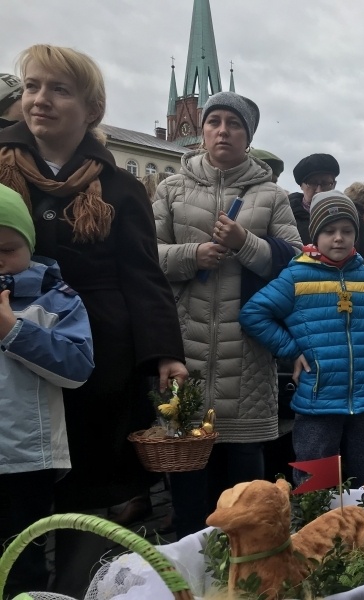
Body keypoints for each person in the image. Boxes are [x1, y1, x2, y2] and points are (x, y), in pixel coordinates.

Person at [0, 44, 187, 597]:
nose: (41, 99)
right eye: (33, 86)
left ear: (91, 107)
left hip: (99, 358)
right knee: (16, 495)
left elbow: (143, 276)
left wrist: (165, 353)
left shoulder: (122, 186)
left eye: (60, 89)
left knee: (92, 491)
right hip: (12, 356)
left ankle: (84, 585)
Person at [153, 91, 302, 539]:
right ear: (202, 131)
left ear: (248, 135)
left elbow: (296, 262)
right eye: (214, 121)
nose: (223, 130)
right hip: (185, 349)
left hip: (247, 355)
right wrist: (192, 255)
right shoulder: (171, 188)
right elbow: (144, 259)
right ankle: (187, 561)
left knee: (245, 477)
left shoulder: (271, 195)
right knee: (188, 471)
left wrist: (244, 243)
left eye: (233, 123)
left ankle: (249, 565)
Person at [240, 191, 364, 486]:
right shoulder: (297, 276)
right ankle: (316, 523)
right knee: (315, 471)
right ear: (315, 234)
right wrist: (291, 349)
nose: (338, 238)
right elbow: (254, 313)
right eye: (329, 231)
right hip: (317, 396)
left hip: (363, 394)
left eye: (347, 231)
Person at [0, 184, 94, 597]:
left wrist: (13, 330)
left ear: (29, 246)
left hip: (25, 459)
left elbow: (76, 367)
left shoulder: (56, 299)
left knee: (22, 560)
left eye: (7, 249)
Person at [288, 153, 364, 271]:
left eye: (326, 183)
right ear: (301, 185)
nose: (319, 190)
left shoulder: (352, 216)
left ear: (334, 184)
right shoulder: (289, 216)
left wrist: (344, 266)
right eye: (312, 183)